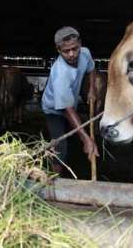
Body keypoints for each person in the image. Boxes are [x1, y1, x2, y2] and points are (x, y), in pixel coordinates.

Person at [41, 26, 99, 175]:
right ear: (59, 50)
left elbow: (91, 69)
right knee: (60, 146)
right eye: (66, 51)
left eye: (75, 48)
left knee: (74, 134)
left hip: (70, 103)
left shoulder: (85, 53)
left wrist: (92, 89)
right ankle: (55, 178)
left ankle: (73, 161)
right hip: (53, 109)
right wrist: (86, 138)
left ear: (80, 44)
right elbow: (67, 110)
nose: (72, 54)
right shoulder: (60, 72)